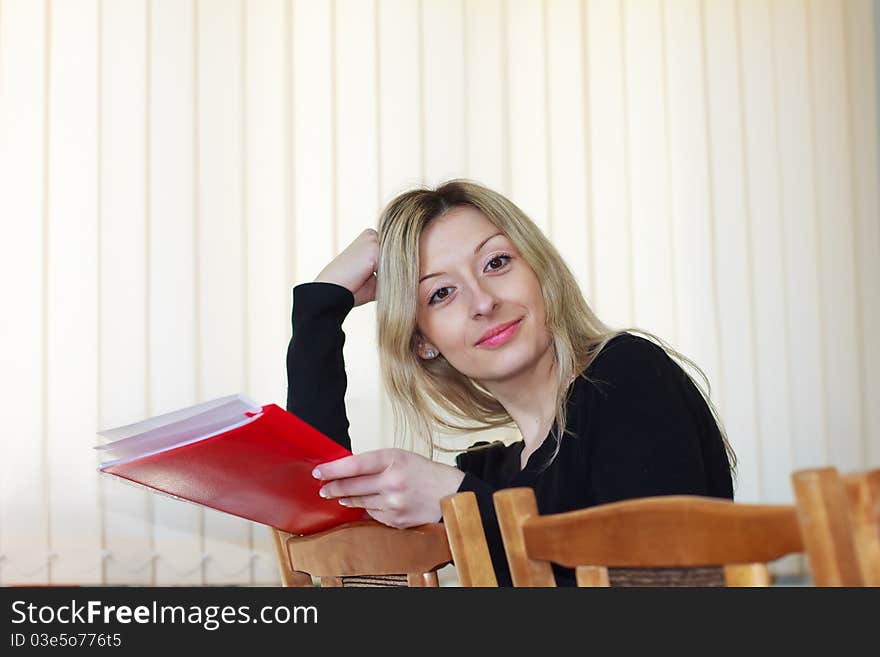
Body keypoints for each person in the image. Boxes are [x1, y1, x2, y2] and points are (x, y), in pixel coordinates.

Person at [286, 179, 735, 587]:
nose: (483, 302)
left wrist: (461, 502)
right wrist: (321, 307)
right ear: (424, 342)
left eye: (497, 262)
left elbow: (654, 585)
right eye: (441, 293)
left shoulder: (628, 373)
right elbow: (322, 501)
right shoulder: (495, 477)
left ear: (540, 272)